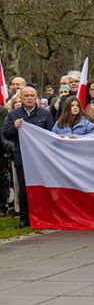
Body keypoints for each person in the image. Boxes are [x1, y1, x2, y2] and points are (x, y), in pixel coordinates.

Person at [3, 85, 54, 227]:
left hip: (41, 158)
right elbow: (6, 134)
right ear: (21, 98)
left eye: (32, 95)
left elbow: (51, 134)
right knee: (24, 189)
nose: (30, 98)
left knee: (42, 188)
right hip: (22, 158)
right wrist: (14, 126)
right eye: (26, 96)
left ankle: (44, 215)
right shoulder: (13, 114)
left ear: (36, 97)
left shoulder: (45, 114)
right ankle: (25, 218)